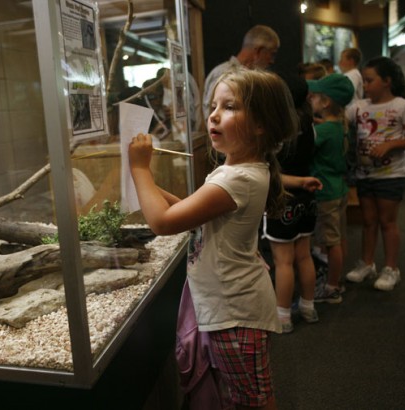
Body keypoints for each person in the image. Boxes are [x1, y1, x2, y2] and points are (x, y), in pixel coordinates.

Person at [129, 68, 299, 409]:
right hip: (230, 305)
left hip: (236, 311)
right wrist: (149, 183)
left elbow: (163, 222)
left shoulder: (238, 179)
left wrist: (139, 170)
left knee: (254, 400)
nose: (214, 115)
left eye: (230, 106)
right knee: (242, 395)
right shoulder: (234, 171)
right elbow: (192, 215)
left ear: (262, 123)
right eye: (213, 105)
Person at [345, 56, 405, 291]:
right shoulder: (358, 106)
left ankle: (391, 268)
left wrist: (390, 145)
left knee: (387, 222)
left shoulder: (403, 106)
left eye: (370, 80)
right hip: (364, 173)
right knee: (368, 222)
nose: (366, 86)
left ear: (387, 81)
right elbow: (340, 120)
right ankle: (367, 263)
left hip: (392, 174)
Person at [261, 73, 323, 333]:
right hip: (307, 197)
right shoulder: (309, 123)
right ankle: (308, 307)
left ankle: (283, 315)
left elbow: (270, 172)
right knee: (304, 255)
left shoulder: (276, 128)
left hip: (282, 198)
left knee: (283, 261)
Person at [307, 74, 355, 303]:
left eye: (314, 96)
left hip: (325, 191)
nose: (311, 99)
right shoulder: (339, 126)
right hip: (339, 188)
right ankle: (337, 280)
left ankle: (331, 287)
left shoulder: (324, 131)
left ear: (325, 103)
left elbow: (307, 145)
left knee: (331, 241)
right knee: (339, 237)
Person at [202, 25, 280, 122]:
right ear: (259, 51)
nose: (272, 61)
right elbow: (212, 118)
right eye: (272, 54)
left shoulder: (248, 76)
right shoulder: (224, 74)